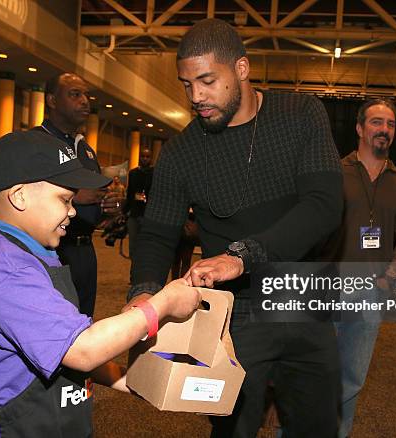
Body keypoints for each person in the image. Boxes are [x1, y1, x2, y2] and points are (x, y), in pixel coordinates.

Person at [125, 18, 344, 437]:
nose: (196, 96)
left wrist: (243, 256)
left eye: (207, 80)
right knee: (231, 428)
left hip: (303, 303)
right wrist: (144, 292)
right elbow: (156, 235)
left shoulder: (299, 114)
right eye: (187, 84)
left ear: (241, 69)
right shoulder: (180, 152)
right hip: (232, 317)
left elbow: (324, 206)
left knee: (316, 427)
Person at [0, 130, 201, 437]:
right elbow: (81, 349)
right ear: (19, 196)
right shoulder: (4, 269)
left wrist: (128, 381)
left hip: (55, 420)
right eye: (64, 199)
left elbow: (59, 345)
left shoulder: (38, 253)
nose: (73, 210)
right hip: (15, 428)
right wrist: (162, 303)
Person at [328, 99, 396, 438]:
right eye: (377, 122)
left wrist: (388, 279)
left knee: (352, 376)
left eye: (390, 124)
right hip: (328, 290)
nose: (384, 129)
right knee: (312, 371)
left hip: (369, 296)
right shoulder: (334, 172)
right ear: (360, 128)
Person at [33, 72, 121, 317]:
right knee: (53, 325)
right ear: (52, 100)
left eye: (86, 95)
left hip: (85, 250)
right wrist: (72, 196)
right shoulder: (35, 143)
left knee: (83, 320)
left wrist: (106, 206)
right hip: (51, 251)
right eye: (75, 94)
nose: (85, 101)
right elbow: (19, 195)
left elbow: (91, 199)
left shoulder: (86, 149)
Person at [123, 147, 154, 259]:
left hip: (148, 214)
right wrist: (125, 211)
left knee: (146, 243)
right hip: (134, 213)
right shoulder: (133, 173)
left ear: (151, 158)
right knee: (133, 243)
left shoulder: (154, 173)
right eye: (143, 156)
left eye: (147, 156)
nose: (145, 159)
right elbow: (130, 193)